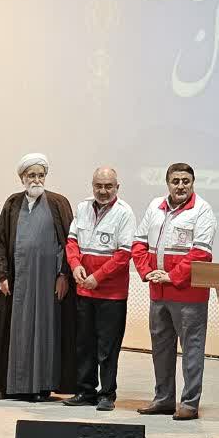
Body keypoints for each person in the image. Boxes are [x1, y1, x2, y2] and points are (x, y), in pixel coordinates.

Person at [132, 163, 217, 421]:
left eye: (186, 181)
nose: (181, 186)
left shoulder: (202, 210)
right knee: (161, 349)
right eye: (176, 181)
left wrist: (171, 275)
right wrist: (147, 272)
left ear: (193, 183)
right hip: (158, 292)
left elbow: (201, 253)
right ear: (168, 183)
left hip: (188, 294)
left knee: (191, 350)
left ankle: (189, 403)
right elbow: (138, 243)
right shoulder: (155, 207)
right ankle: (163, 399)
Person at [0, 153, 76, 401]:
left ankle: (42, 385)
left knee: (46, 333)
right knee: (19, 332)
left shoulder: (58, 203)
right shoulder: (13, 203)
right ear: (22, 178)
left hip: (48, 283)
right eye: (31, 175)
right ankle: (18, 385)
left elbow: (69, 242)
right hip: (19, 283)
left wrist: (64, 274)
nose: (36, 180)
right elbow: (0, 241)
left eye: (40, 175)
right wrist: (2, 275)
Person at [63, 166, 136, 411]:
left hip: (111, 294)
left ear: (117, 187)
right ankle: (85, 391)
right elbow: (72, 242)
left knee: (107, 347)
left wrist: (98, 277)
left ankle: (107, 394)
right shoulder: (83, 207)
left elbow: (124, 255)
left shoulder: (125, 213)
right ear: (92, 185)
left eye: (108, 186)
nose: (103, 191)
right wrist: (75, 266)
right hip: (84, 290)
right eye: (98, 186)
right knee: (84, 344)